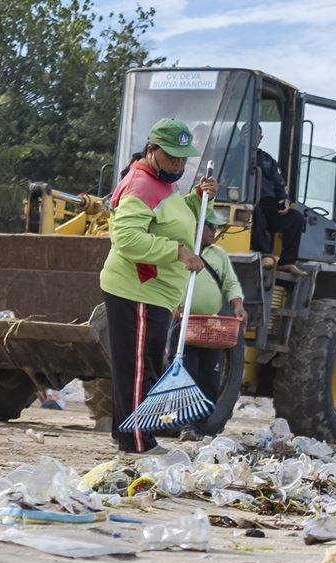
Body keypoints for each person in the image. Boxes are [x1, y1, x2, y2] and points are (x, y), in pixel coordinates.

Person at [97, 117, 216, 452]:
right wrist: (178, 252)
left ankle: (133, 437)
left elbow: (172, 219)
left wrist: (197, 198)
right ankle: (136, 445)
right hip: (135, 289)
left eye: (183, 158)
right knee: (137, 369)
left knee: (145, 365)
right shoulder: (140, 185)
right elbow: (128, 239)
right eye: (172, 156)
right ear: (152, 150)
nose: (178, 164)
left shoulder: (165, 183)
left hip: (155, 293)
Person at [183, 206, 246, 405]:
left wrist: (237, 305)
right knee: (185, 372)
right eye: (211, 227)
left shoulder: (219, 255)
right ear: (198, 227)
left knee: (209, 375)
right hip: (182, 323)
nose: (215, 232)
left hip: (210, 325)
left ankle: (201, 425)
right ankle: (181, 421)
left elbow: (230, 283)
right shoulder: (181, 252)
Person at [250, 125, 303, 272]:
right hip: (246, 202)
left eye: (257, 135)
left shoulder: (267, 159)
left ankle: (286, 261)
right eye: (249, 134)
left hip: (269, 204)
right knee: (256, 210)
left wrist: (285, 199)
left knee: (295, 218)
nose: (253, 138)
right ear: (242, 136)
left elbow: (279, 182)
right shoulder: (233, 156)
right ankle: (262, 254)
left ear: (261, 139)